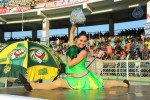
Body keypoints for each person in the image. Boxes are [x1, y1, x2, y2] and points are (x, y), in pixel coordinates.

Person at [19, 25, 130, 91]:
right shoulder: (73, 46)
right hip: (73, 79)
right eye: (80, 40)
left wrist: (68, 55)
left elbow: (71, 64)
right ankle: (31, 85)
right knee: (56, 84)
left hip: (85, 79)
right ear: (77, 39)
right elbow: (71, 32)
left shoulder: (84, 52)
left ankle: (125, 84)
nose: (82, 43)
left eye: (84, 41)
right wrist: (74, 24)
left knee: (107, 84)